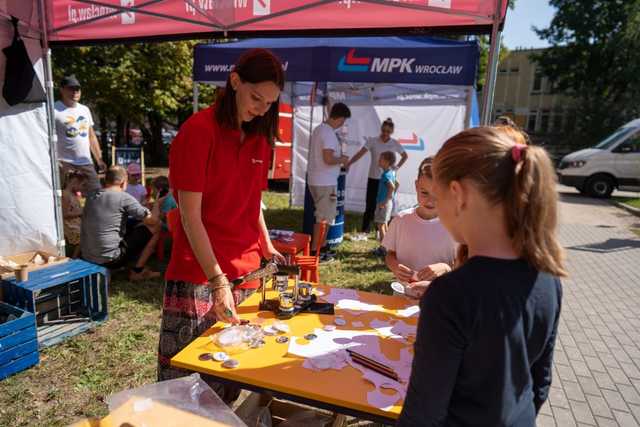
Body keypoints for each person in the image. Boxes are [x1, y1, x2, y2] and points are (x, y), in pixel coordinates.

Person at [398, 126, 565, 426]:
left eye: (436, 195)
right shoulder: (548, 278)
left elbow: (423, 414)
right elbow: (540, 382)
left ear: (457, 194)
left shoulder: (451, 295)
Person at [157, 49, 286, 401]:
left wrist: (267, 243)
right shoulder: (198, 131)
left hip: (245, 273)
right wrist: (217, 282)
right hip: (201, 274)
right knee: (186, 388)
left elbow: (251, 201)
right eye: (255, 97)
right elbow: (189, 215)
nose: (261, 109)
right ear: (234, 81)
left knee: (231, 378)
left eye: (270, 103)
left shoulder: (260, 137)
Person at [382, 157, 456, 298]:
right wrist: (395, 266)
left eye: (437, 195)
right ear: (416, 186)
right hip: (403, 295)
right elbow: (390, 255)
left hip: (440, 298)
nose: (430, 200)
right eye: (424, 192)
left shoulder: (454, 225)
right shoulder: (401, 220)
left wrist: (445, 268)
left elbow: (463, 263)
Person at [80, 165, 162, 281]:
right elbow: (152, 220)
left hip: (87, 257)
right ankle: (137, 271)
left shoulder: (92, 195)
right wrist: (157, 203)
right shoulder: (123, 197)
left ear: (106, 180)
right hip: (110, 259)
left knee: (133, 224)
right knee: (156, 226)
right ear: (124, 182)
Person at [345, 118, 408, 233]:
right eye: (384, 130)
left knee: (384, 205)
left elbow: (405, 156)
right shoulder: (372, 141)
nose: (385, 133)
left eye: (388, 132)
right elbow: (360, 153)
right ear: (381, 129)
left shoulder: (394, 143)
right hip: (373, 178)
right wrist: (349, 163)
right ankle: (365, 230)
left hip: (386, 180)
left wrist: (396, 168)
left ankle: (381, 230)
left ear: (391, 132)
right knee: (370, 205)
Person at [307, 102, 351, 255]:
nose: (343, 124)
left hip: (317, 179)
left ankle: (321, 246)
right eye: (344, 120)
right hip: (325, 182)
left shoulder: (319, 129)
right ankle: (316, 251)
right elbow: (328, 158)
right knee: (323, 218)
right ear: (340, 118)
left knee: (324, 216)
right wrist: (342, 160)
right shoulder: (328, 133)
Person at [55, 75, 106, 193]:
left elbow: (91, 136)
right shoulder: (54, 109)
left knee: (96, 194)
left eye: (77, 89)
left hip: (85, 162)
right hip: (64, 162)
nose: (75, 92)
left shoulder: (84, 109)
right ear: (62, 90)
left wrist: (99, 159)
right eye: (71, 88)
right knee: (64, 196)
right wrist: (55, 160)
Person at [61, 170, 87, 258]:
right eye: (82, 185)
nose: (82, 188)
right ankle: (74, 257)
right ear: (74, 182)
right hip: (70, 226)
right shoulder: (65, 194)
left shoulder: (73, 195)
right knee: (83, 235)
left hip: (76, 224)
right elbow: (64, 214)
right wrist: (81, 212)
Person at [373, 151, 397, 246]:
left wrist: (385, 201)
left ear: (387, 162)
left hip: (383, 203)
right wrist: (390, 198)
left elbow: (392, 187)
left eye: (380, 159)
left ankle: (383, 248)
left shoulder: (385, 175)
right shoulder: (391, 173)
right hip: (387, 203)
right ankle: (388, 246)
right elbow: (396, 184)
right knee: (385, 223)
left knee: (380, 224)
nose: (378, 161)